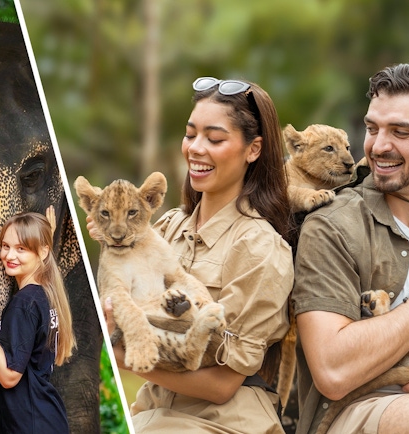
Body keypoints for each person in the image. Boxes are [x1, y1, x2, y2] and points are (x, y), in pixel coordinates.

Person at [91, 77, 296, 433]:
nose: (195, 149)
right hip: (150, 411)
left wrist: (125, 356)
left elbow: (222, 386)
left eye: (214, 139)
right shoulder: (167, 226)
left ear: (253, 149)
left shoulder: (262, 248)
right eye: (190, 135)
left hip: (222, 421)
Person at [293, 62, 409, 434]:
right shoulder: (332, 225)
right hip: (355, 408)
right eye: (371, 129)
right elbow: (334, 370)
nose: (379, 146)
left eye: (400, 132)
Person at [0, 209, 76, 433]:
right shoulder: (46, 296)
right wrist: (42, 235)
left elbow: (9, 375)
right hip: (45, 417)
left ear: (43, 252)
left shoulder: (25, 303)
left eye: (21, 248)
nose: (9, 256)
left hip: (29, 424)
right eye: (5, 246)